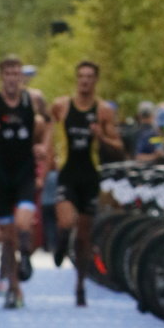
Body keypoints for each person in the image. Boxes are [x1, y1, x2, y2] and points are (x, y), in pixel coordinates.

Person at [47, 60, 124, 306]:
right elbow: (49, 137)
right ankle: (60, 241)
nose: (85, 81)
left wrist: (101, 136)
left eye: (90, 76)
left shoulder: (103, 111)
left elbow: (119, 147)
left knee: (83, 238)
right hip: (67, 173)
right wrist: (46, 161)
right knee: (67, 221)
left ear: (96, 80)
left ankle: (80, 285)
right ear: (76, 79)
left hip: (90, 176)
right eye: (81, 76)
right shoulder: (62, 106)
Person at [0, 56, 47, 308]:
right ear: (2, 76)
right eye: (9, 73)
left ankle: (25, 257)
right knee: (7, 239)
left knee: (23, 224)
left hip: (24, 171)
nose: (13, 78)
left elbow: (49, 124)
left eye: (17, 73)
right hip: (1, 175)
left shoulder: (33, 99)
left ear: (22, 77)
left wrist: (42, 147)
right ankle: (14, 288)